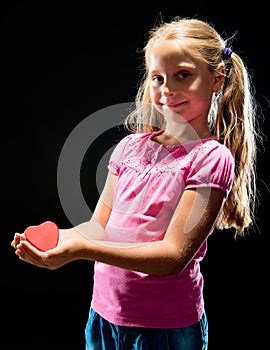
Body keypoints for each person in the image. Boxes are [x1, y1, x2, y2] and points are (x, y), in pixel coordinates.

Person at [11, 16, 261, 350]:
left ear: (216, 79)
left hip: (164, 328)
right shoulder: (131, 147)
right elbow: (98, 226)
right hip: (104, 315)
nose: (167, 89)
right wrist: (57, 239)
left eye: (182, 75)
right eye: (158, 77)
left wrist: (81, 250)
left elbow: (173, 257)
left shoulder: (210, 159)